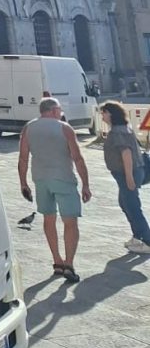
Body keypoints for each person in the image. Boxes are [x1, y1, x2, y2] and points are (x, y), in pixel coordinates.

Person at [18, 98, 92, 282]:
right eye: (59, 109)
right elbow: (78, 158)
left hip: (40, 179)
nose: (61, 112)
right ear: (52, 110)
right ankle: (69, 264)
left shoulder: (28, 128)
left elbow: (23, 158)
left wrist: (23, 183)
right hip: (63, 179)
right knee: (70, 222)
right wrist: (86, 184)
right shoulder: (65, 128)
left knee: (48, 219)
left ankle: (57, 261)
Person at [100, 101, 150, 254]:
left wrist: (129, 177)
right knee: (125, 203)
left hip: (128, 173)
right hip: (127, 173)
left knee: (132, 206)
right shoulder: (120, 129)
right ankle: (138, 236)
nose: (101, 115)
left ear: (110, 114)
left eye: (103, 112)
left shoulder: (118, 132)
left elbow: (126, 153)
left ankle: (147, 240)